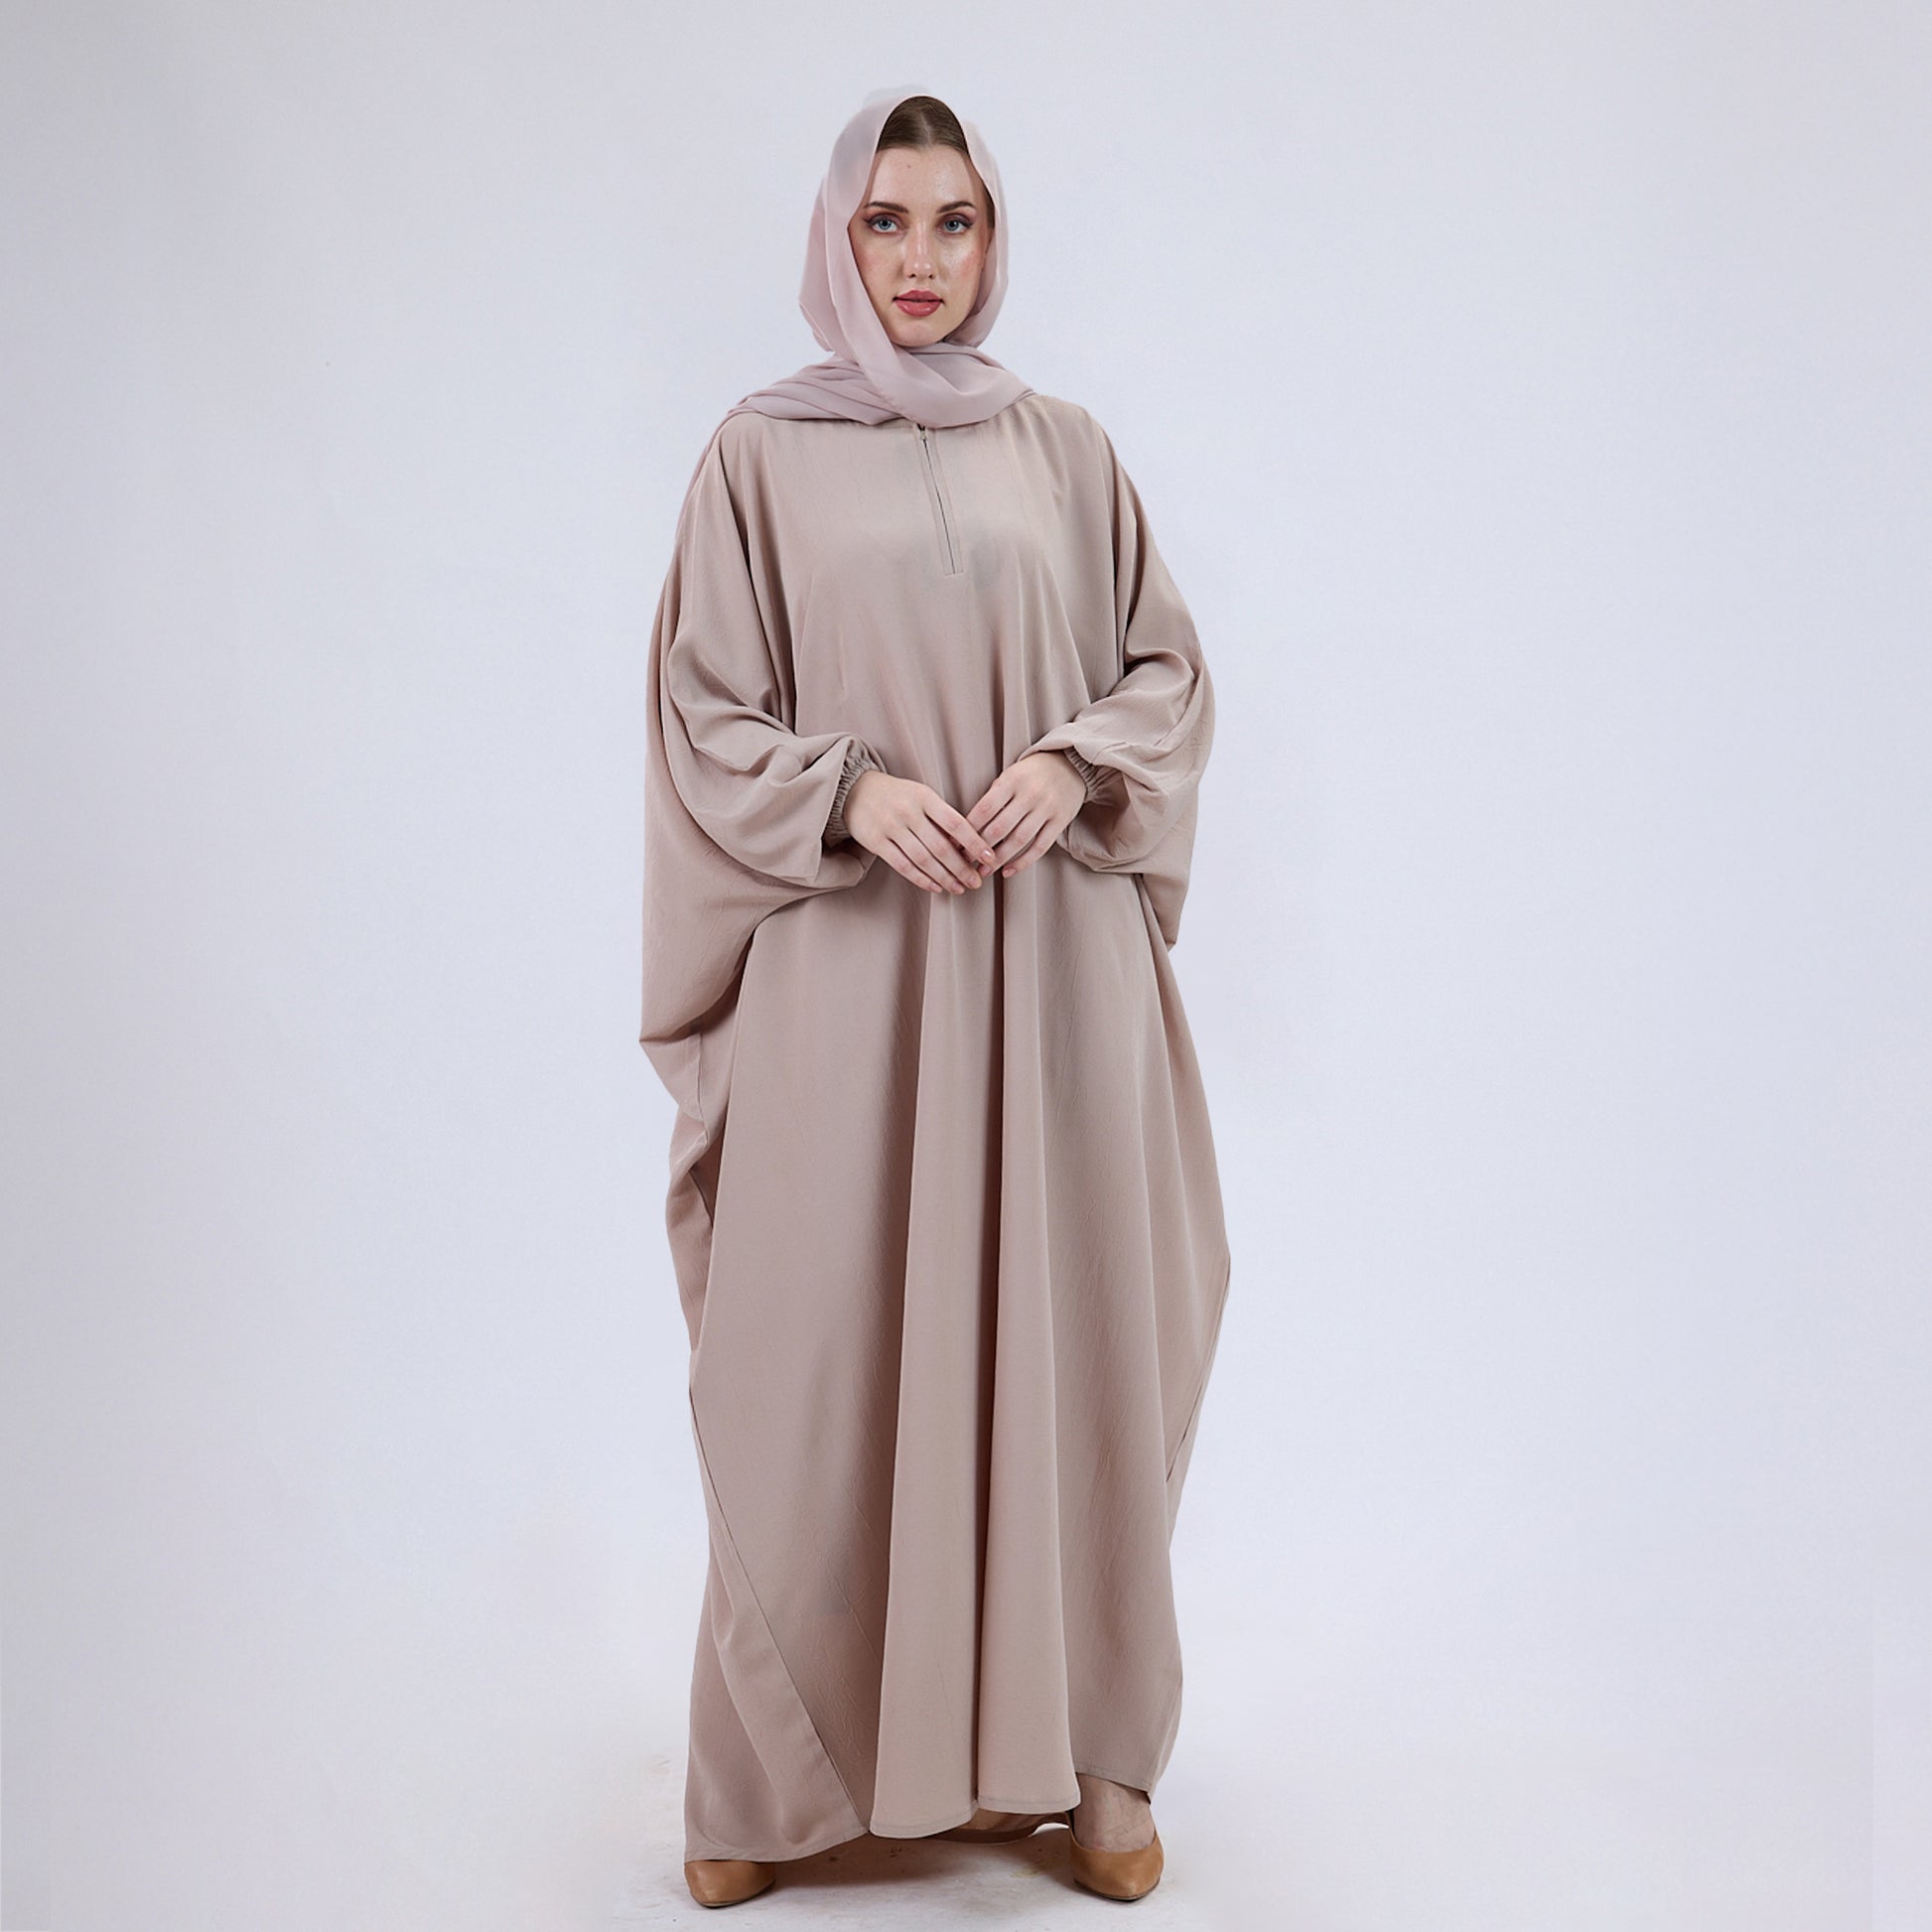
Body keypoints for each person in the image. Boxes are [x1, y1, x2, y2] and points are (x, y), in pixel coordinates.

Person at [638, 84, 1231, 1909]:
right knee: (815, 1352)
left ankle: (1093, 1765)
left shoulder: (1065, 449)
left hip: (1048, 979)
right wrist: (846, 793)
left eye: (951, 221)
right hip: (854, 979)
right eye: (884, 221)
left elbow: (1165, 672)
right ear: (839, 240)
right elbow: (701, 713)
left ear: (991, 238)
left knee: (1073, 1336)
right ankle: (774, 1778)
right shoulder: (756, 456)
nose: (919, 257)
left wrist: (1069, 762)